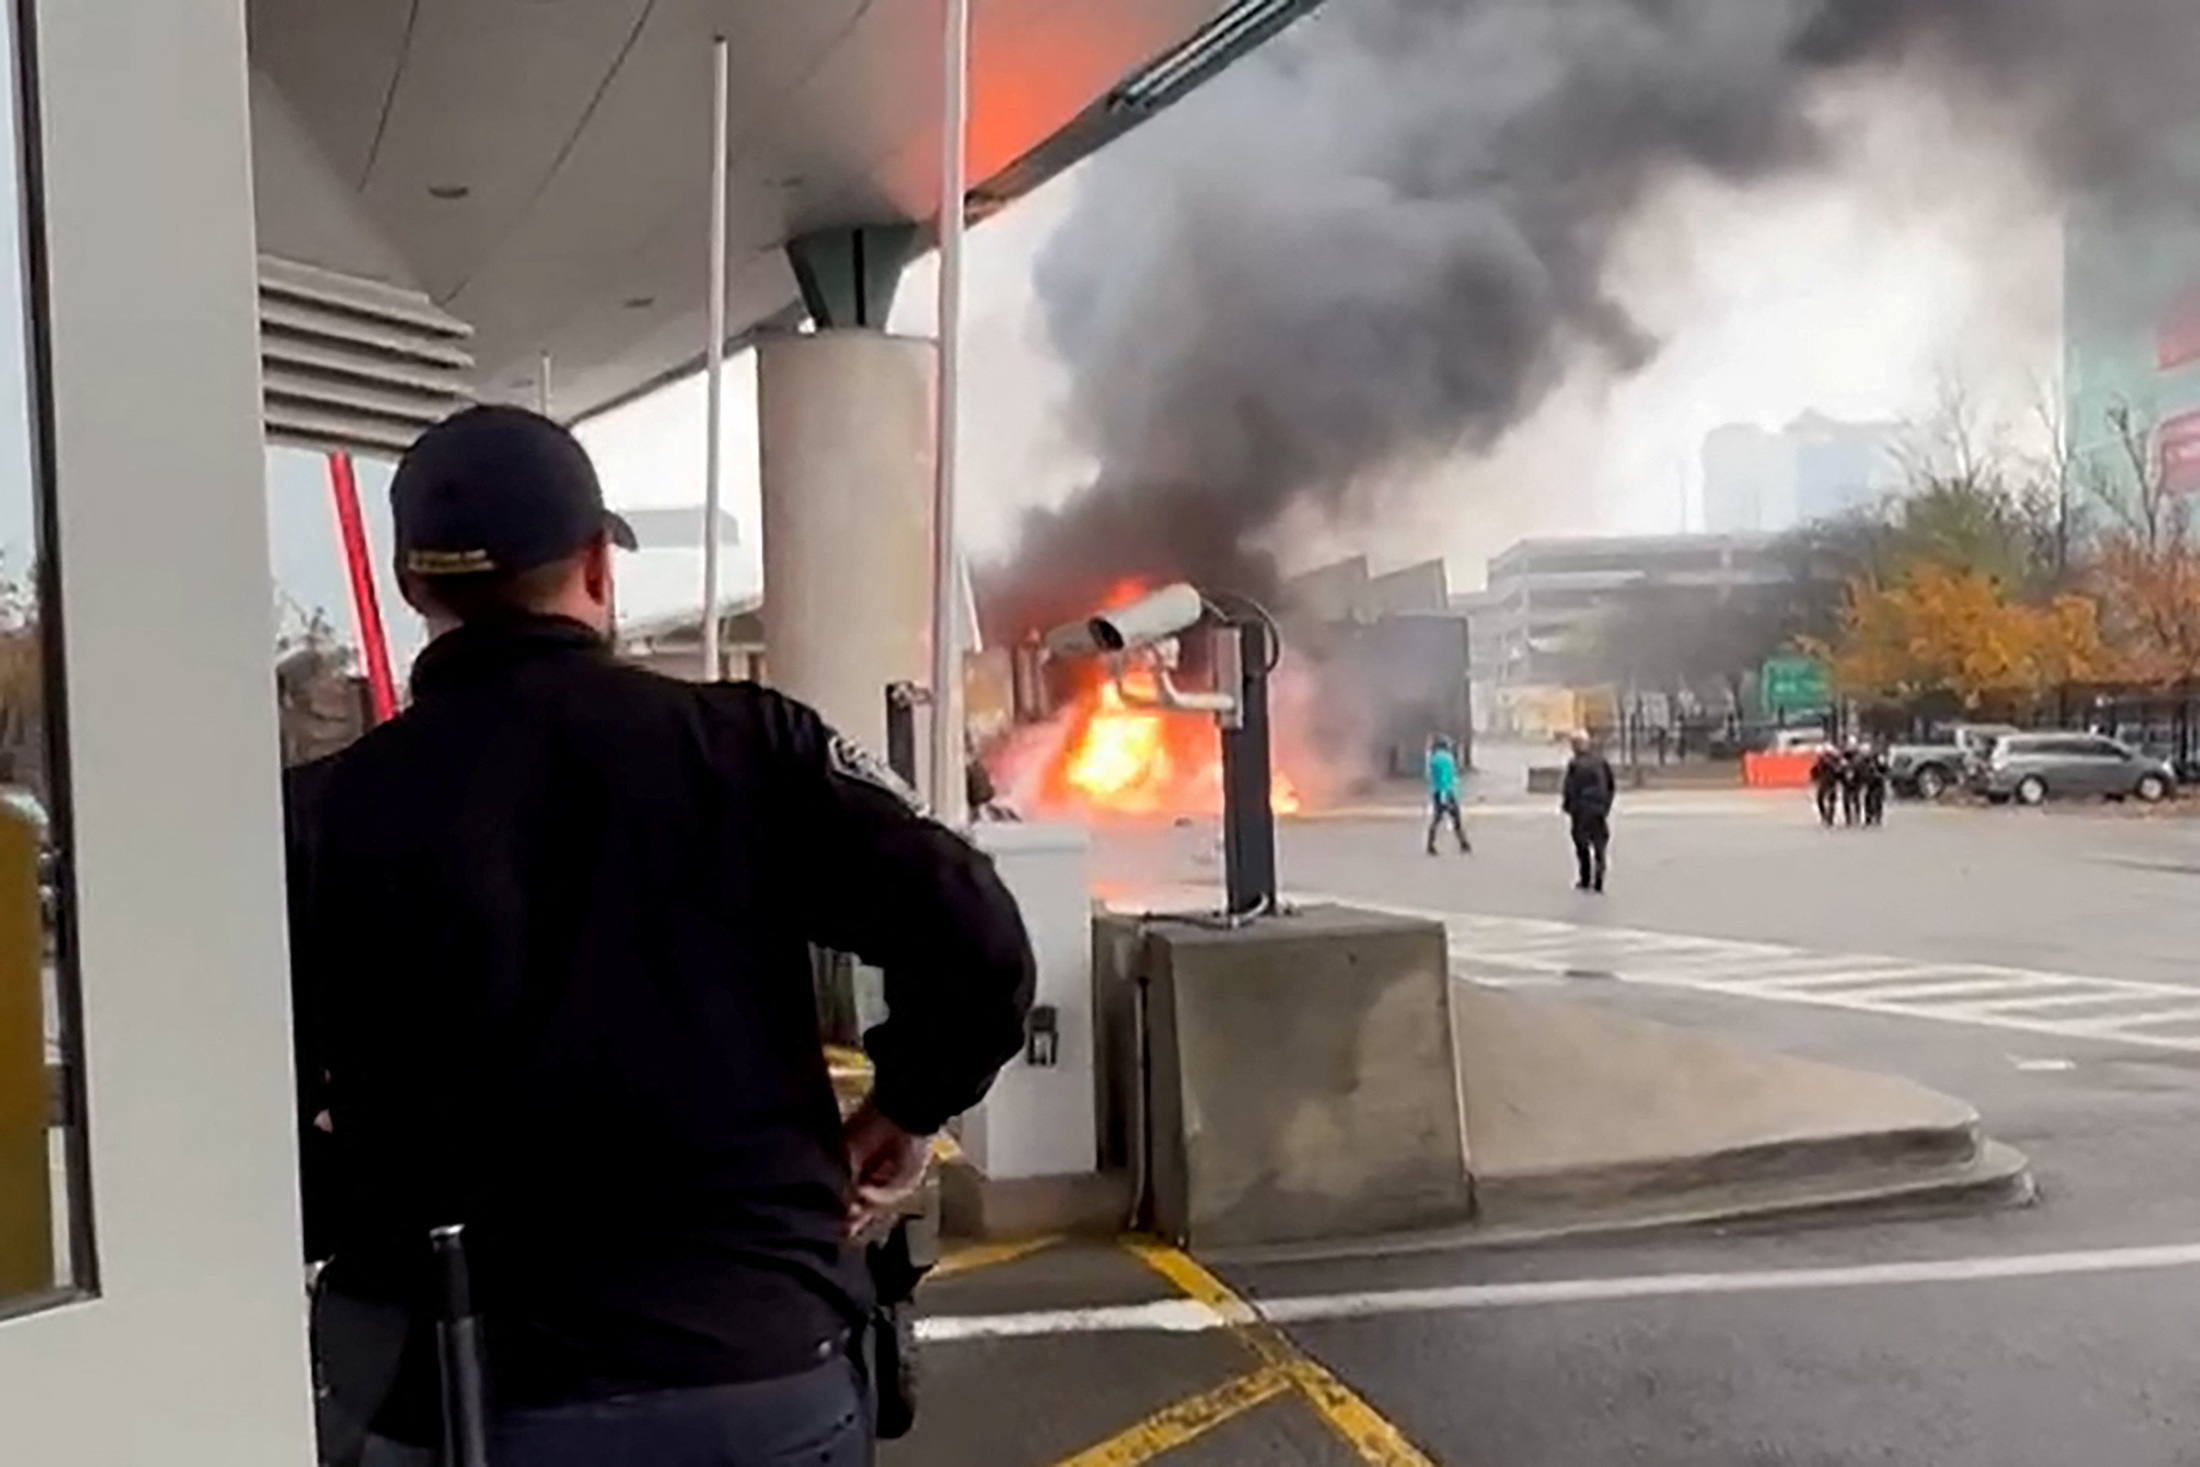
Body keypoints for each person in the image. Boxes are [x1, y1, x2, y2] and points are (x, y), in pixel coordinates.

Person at [286, 405, 1036, 1467]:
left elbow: (237, 1107)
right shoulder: (742, 748)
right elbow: (975, 938)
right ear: (596, 564)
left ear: (415, 588)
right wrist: (904, 1106)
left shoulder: (328, 813)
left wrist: (361, 1216)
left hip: (459, 1397)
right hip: (750, 1373)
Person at [1560, 731, 1617, 892]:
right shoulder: (1601, 762)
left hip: (1581, 810)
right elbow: (1610, 785)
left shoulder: (1575, 764)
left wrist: (1569, 807)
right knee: (1600, 844)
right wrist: (1606, 805)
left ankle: (1585, 878)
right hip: (1598, 809)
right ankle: (1599, 876)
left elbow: (1570, 788)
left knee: (1582, 844)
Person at [1424, 734, 1470, 855]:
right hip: (1447, 792)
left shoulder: (1432, 758)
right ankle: (1463, 843)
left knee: (1437, 818)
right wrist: (1447, 794)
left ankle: (1430, 844)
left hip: (1437, 792)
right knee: (1455, 818)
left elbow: (1429, 777)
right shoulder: (1446, 758)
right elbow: (1447, 777)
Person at [1809, 744, 1843, 828]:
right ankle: (1824, 816)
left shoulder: (1834, 761)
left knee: (1831, 800)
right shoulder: (1819, 762)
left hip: (1831, 782)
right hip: (1823, 782)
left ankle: (1830, 818)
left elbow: (1839, 771)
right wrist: (1814, 778)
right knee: (1820, 799)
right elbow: (1814, 771)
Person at [1861, 740, 1891, 827]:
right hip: (1869, 781)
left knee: (1877, 799)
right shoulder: (1862, 760)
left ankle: (1878, 817)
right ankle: (1868, 817)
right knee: (1868, 799)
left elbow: (1885, 768)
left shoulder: (1877, 758)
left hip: (1878, 781)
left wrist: (1882, 775)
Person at [1839, 738, 1867, 827]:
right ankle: (1848, 818)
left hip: (1856, 781)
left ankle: (1857, 816)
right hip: (1846, 782)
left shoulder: (1859, 758)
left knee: (1856, 799)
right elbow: (1840, 768)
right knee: (1846, 800)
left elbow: (1862, 770)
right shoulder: (1844, 756)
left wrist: (1861, 780)